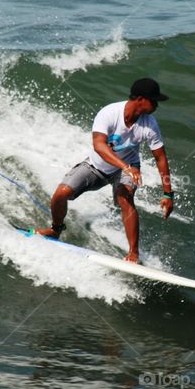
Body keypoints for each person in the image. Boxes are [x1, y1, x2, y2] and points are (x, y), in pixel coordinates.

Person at [37, 78, 175, 263]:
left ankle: (133, 253)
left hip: (128, 167)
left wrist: (168, 194)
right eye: (154, 100)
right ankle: (55, 229)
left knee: (125, 198)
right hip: (96, 166)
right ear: (141, 99)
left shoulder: (150, 124)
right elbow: (99, 146)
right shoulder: (110, 113)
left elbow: (160, 157)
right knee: (61, 194)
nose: (157, 105)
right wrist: (124, 166)